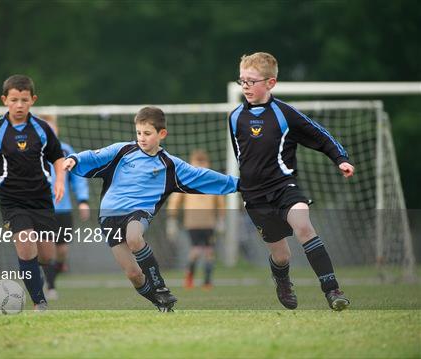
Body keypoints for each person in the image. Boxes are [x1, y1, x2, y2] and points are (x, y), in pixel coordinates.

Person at [63, 106, 240, 312]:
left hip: (138, 213)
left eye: (147, 133)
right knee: (134, 275)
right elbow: (94, 156)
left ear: (161, 134)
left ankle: (161, 287)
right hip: (108, 217)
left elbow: (203, 176)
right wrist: (74, 158)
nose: (141, 138)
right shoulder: (123, 151)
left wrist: (239, 184)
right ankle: (160, 302)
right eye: (138, 133)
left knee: (135, 238)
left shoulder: (169, 165)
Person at [228, 52, 354, 311]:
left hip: (284, 187)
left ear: (270, 83)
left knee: (304, 226)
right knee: (281, 255)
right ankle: (282, 280)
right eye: (242, 81)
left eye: (252, 81)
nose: (246, 87)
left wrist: (339, 158)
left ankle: (332, 290)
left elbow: (319, 135)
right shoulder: (234, 117)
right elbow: (243, 158)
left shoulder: (285, 114)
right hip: (255, 196)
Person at [0, 75, 65, 311]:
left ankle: (38, 279)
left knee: (47, 255)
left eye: (24, 100)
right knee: (26, 247)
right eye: (14, 100)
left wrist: (60, 182)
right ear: (4, 100)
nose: (19, 105)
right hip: (12, 200)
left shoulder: (43, 129)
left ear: (32, 100)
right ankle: (40, 302)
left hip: (41, 198)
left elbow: (58, 157)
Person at [41, 114, 91, 300]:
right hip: (41, 210)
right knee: (47, 250)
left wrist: (83, 201)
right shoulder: (32, 151)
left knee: (62, 251)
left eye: (51, 128)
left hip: (63, 209)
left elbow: (77, 179)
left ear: (57, 130)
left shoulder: (66, 150)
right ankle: (51, 287)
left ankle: (53, 273)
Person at [167, 149, 225, 290]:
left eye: (203, 162)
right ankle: (189, 277)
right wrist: (172, 220)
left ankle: (207, 281)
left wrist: (221, 220)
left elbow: (220, 202)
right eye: (197, 163)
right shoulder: (186, 180)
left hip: (209, 224)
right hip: (192, 224)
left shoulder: (212, 180)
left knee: (209, 253)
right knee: (196, 251)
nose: (200, 166)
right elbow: (175, 201)